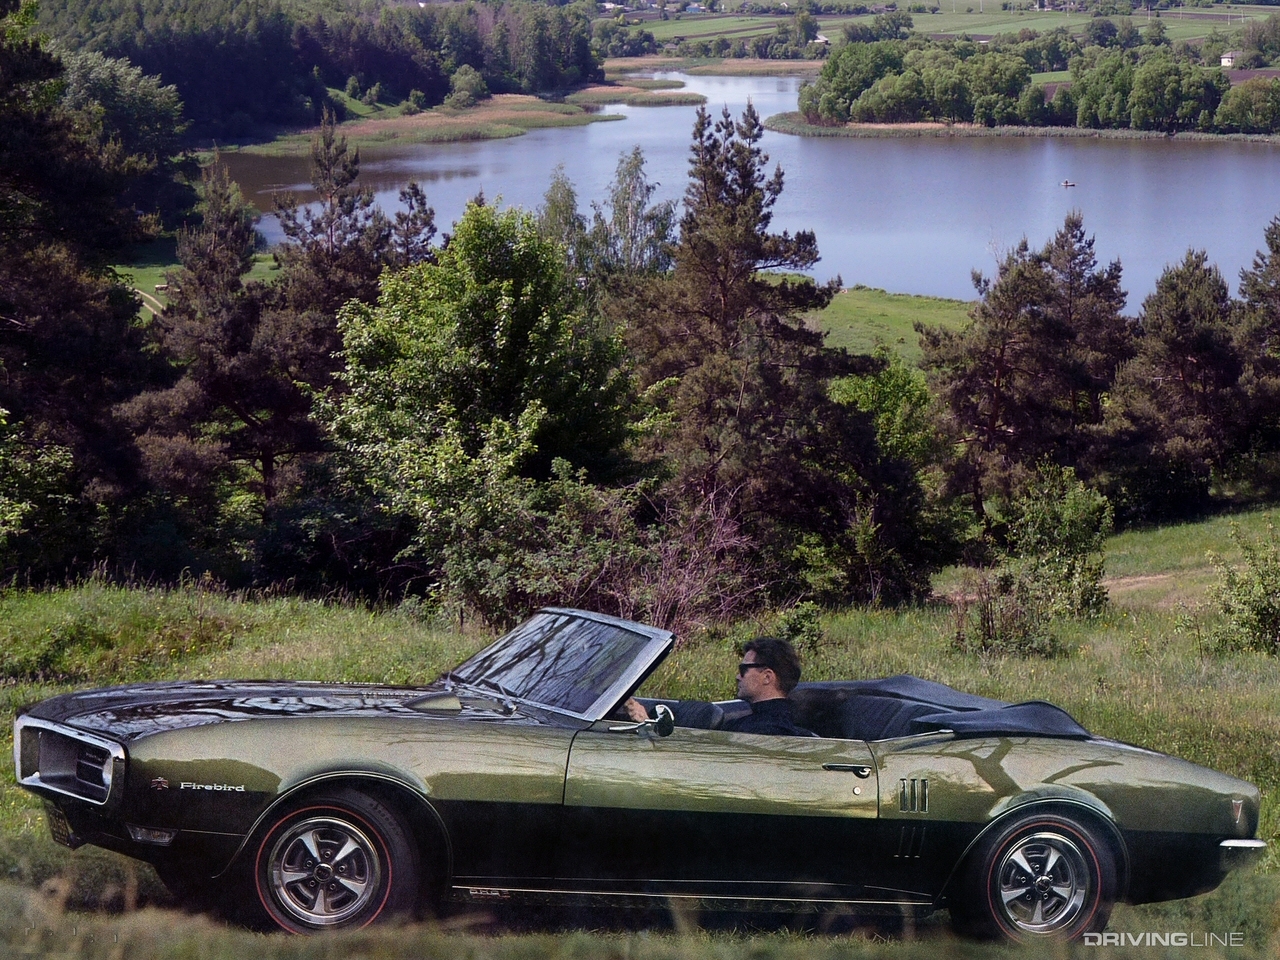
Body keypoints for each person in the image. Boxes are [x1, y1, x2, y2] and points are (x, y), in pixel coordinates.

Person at [623, 636, 811, 736]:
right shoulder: (763, 722)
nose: (738, 676)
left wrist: (645, 726)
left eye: (743, 669)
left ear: (767, 676)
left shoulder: (766, 730)